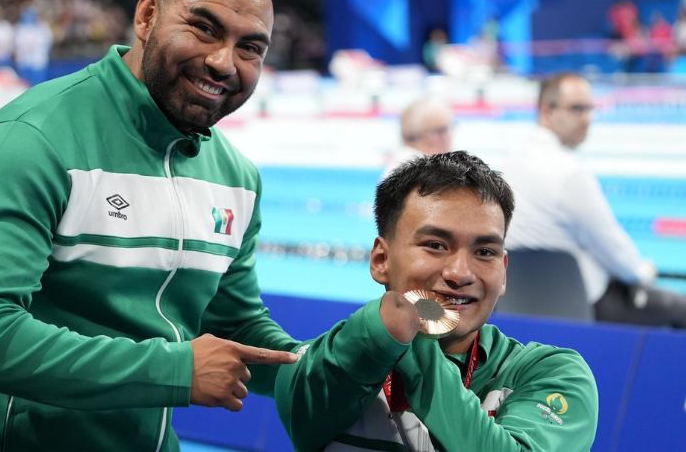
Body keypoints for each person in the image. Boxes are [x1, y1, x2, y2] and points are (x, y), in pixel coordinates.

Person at [0, 0, 299, 452]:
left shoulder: (236, 176)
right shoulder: (32, 138)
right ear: (147, 16)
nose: (223, 62)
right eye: (204, 28)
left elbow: (231, 325)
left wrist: (332, 369)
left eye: (250, 48)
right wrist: (176, 368)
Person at [275, 151, 598, 450]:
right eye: (436, 245)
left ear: (503, 272)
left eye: (485, 252)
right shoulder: (319, 365)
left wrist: (418, 334)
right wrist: (387, 328)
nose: (460, 273)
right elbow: (336, 369)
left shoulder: (551, 374)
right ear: (380, 260)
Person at [502, 72, 686, 327]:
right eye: (577, 109)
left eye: (590, 108)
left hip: (523, 306)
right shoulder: (568, 173)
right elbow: (614, 248)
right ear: (547, 111)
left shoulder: (510, 163)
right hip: (585, 305)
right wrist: (644, 273)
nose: (587, 119)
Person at [383, 97, 453, 177]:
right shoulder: (421, 169)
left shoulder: (400, 161)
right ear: (419, 136)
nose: (447, 137)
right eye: (442, 130)